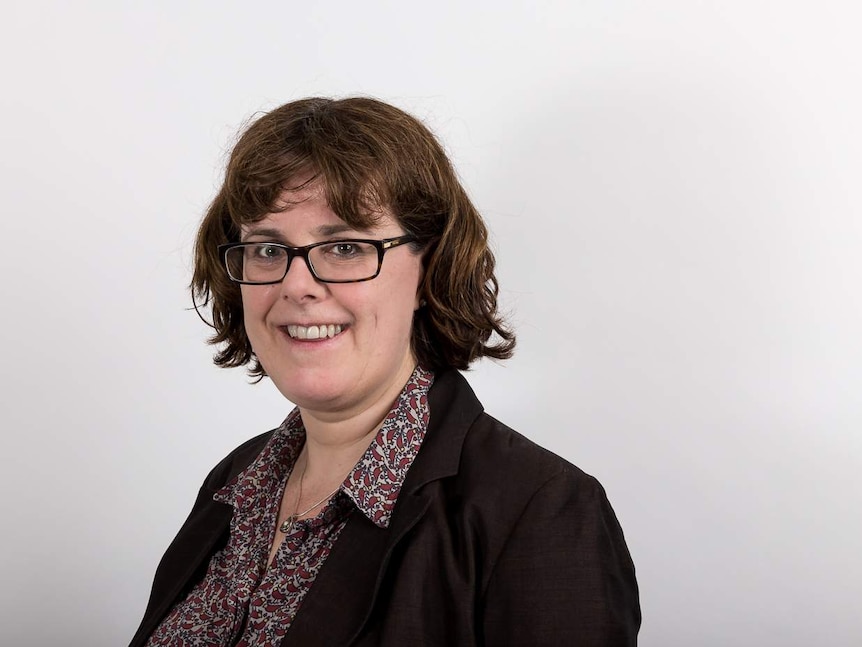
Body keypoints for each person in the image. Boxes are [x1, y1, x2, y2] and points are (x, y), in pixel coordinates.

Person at [130, 97, 640, 646]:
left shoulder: (538, 512)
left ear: (429, 269)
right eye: (268, 249)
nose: (296, 285)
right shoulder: (235, 482)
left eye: (345, 247)